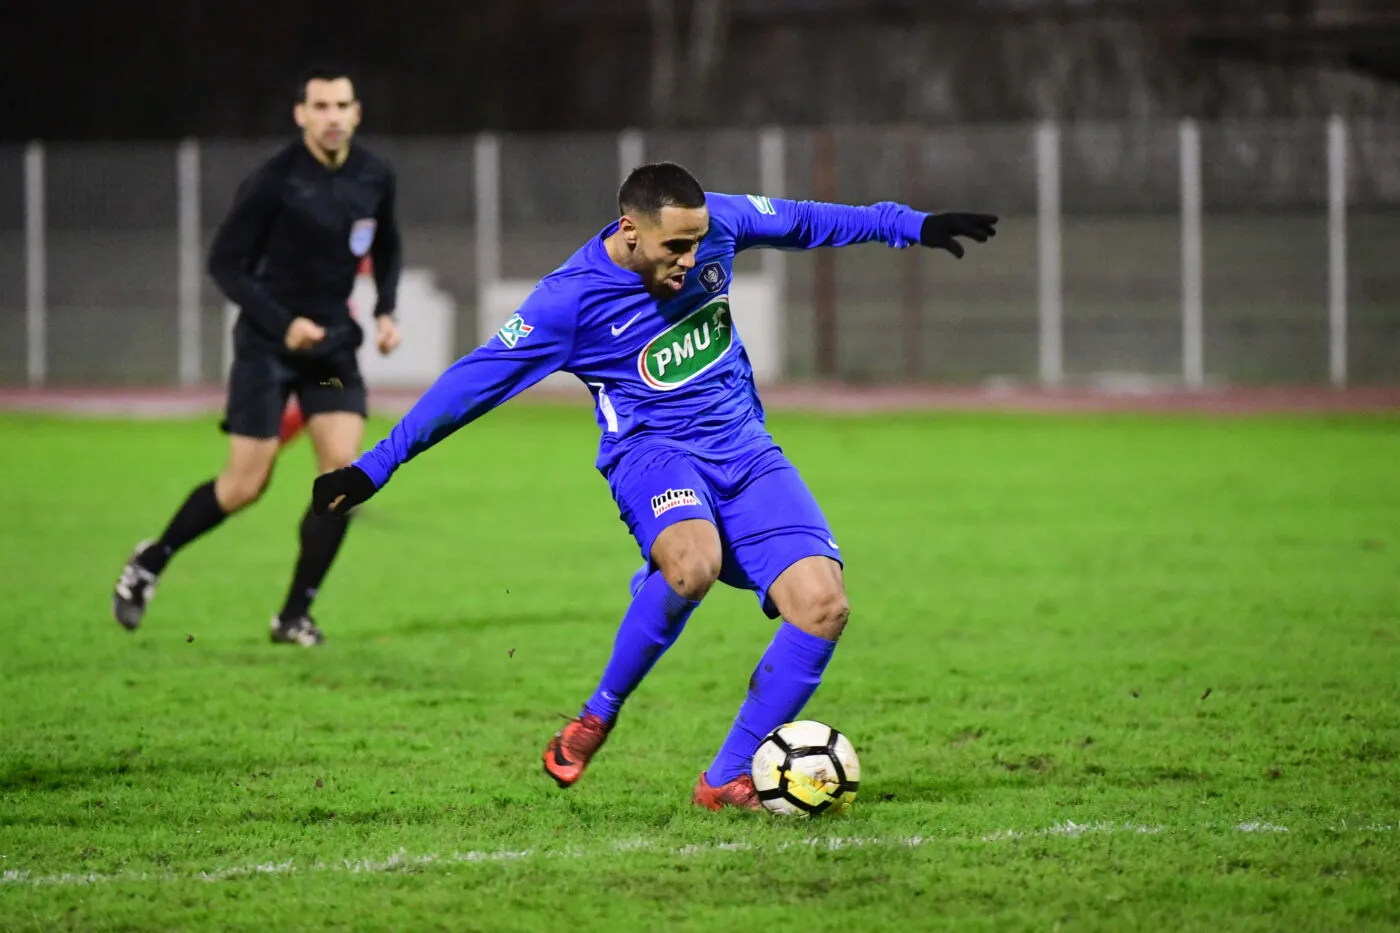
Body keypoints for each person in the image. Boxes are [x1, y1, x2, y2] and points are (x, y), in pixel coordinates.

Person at [312, 162, 996, 806]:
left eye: (699, 244)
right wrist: (377, 463)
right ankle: (597, 714)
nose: (692, 260)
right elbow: (474, 380)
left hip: (745, 450)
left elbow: (808, 220)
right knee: (692, 564)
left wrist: (913, 225)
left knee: (823, 605)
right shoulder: (568, 301)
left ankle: (726, 777)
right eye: (675, 246)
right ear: (629, 232)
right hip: (652, 455)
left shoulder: (714, 223)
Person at [112, 64, 403, 646]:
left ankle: (293, 615)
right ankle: (152, 558)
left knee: (342, 478)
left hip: (329, 353)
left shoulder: (374, 174)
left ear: (356, 113)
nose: (331, 117)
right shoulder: (274, 180)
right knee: (246, 484)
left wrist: (384, 310)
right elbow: (225, 263)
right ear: (301, 114)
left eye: (341, 105)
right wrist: (281, 322)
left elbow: (388, 244)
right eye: (319, 106)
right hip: (267, 350)